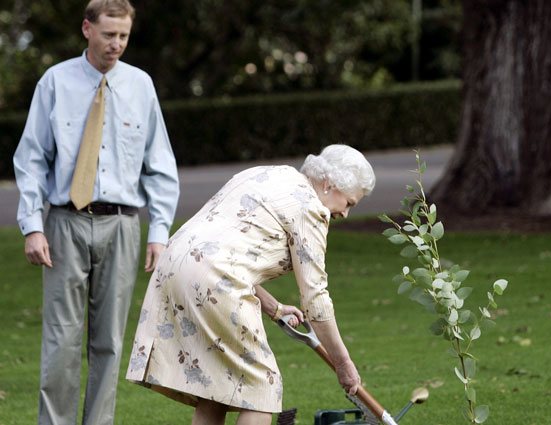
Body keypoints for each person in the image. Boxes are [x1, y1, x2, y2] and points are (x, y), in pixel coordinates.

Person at [12, 1, 180, 424]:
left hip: (122, 226)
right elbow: (32, 159)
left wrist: (159, 232)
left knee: (109, 343)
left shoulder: (141, 86)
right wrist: (33, 226)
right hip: (64, 222)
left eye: (123, 36)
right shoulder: (55, 82)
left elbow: (159, 165)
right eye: (108, 35)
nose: (116, 45)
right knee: (61, 339)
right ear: (87, 29)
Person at [125, 144, 375, 425]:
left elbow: (225, 249)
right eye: (349, 203)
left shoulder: (268, 175)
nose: (345, 214)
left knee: (215, 387)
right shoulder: (310, 209)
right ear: (329, 184)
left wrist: (273, 307)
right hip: (215, 278)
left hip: (175, 264)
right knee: (262, 389)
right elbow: (316, 299)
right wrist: (343, 364)